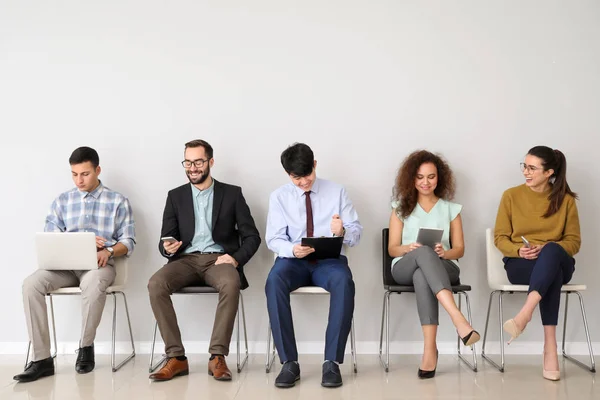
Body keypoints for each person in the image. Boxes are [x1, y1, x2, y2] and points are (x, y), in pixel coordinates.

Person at [14, 147, 136, 382]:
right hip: (65, 267)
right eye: (74, 174)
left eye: (85, 174)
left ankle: (85, 346)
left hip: (99, 266)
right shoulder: (63, 201)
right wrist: (82, 242)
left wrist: (108, 250)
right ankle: (41, 360)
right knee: (31, 284)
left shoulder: (118, 201)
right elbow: (51, 236)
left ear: (98, 170)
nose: (79, 180)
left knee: (92, 283)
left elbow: (129, 242)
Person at [148, 139, 261, 382]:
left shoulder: (232, 194)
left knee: (231, 284)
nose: (193, 168)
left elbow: (252, 236)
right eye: (187, 162)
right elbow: (164, 240)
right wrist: (168, 247)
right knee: (155, 284)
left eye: (198, 162)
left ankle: (217, 357)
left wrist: (236, 258)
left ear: (210, 162)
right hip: (185, 260)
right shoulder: (175, 196)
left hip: (218, 260)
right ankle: (176, 357)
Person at [265, 143, 362, 388]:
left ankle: (331, 362)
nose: (303, 182)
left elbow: (357, 232)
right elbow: (274, 238)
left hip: (328, 262)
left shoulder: (337, 191)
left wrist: (344, 231)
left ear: (315, 165)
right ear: (288, 174)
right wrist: (292, 249)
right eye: (296, 177)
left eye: (307, 175)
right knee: (273, 280)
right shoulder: (279, 197)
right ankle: (289, 363)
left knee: (344, 281)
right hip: (293, 262)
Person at [388, 150, 480, 379]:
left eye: (431, 176)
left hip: (444, 266)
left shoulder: (451, 209)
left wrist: (444, 252)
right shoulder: (399, 208)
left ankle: (430, 349)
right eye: (420, 177)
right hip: (404, 266)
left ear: (439, 178)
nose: (425, 182)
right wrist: (409, 248)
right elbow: (392, 249)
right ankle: (459, 320)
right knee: (422, 256)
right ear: (411, 178)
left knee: (424, 273)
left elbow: (460, 249)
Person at [494, 145, 580, 381]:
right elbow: (500, 237)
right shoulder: (511, 196)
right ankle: (550, 347)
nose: (525, 172)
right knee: (551, 275)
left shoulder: (566, 201)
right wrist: (518, 250)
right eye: (524, 166)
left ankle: (525, 313)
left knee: (552, 250)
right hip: (521, 265)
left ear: (549, 172)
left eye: (532, 168)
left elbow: (573, 242)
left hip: (559, 262)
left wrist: (548, 248)